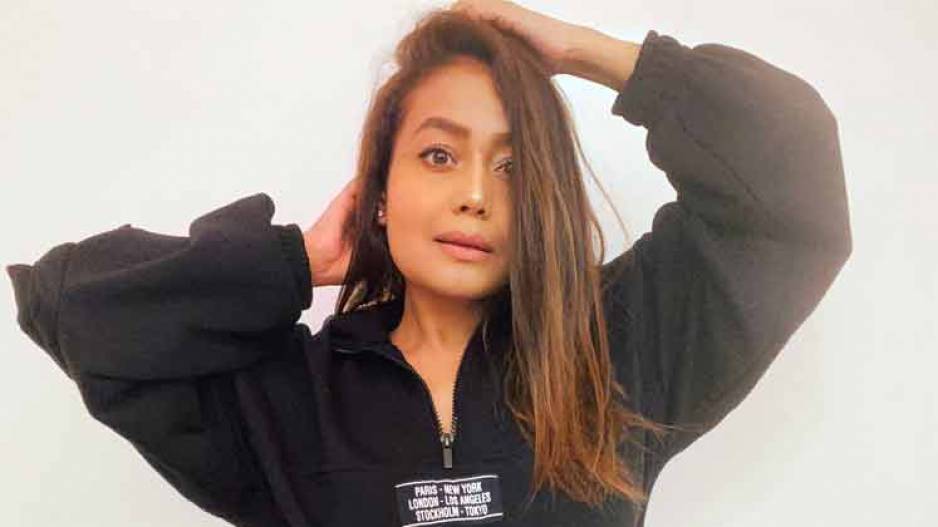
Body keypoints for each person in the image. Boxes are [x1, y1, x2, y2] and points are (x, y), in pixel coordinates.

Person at [5, 1, 852, 526]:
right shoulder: (287, 400)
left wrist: (589, 52)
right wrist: (293, 261)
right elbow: (68, 305)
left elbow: (792, 190)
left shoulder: (620, 353)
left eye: (513, 166)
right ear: (379, 192)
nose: (476, 194)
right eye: (440, 155)